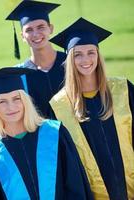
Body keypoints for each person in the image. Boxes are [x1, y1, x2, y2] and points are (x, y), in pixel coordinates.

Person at [0, 67, 93, 199]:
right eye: (2, 101)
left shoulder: (54, 133)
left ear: (25, 101)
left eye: (16, 98)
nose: (11, 107)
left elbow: (75, 185)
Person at [49, 17, 134, 200]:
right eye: (78, 54)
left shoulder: (123, 90)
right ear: (70, 60)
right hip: (92, 194)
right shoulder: (59, 106)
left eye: (91, 52)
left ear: (98, 55)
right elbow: (63, 164)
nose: (85, 59)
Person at [6, 0, 66, 118]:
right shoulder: (19, 75)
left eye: (41, 27)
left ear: (51, 28)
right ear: (22, 36)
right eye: (29, 30)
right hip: (42, 136)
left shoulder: (70, 62)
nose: (35, 34)